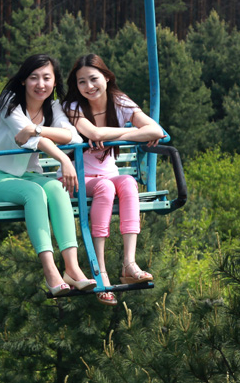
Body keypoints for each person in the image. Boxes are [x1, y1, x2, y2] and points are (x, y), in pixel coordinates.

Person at [0, 54, 95, 297]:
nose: (41, 84)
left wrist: (36, 128)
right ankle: (50, 271)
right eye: (34, 78)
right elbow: (32, 140)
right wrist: (63, 158)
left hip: (29, 175)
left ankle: (72, 268)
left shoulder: (53, 107)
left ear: (54, 82)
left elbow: (73, 137)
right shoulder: (10, 103)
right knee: (35, 193)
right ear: (23, 80)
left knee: (57, 188)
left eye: (46, 78)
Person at [62, 54, 165, 305]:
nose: (89, 86)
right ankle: (100, 271)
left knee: (128, 182)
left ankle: (129, 263)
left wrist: (117, 134)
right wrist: (133, 133)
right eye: (81, 82)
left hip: (108, 174)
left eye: (93, 79)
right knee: (106, 188)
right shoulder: (73, 107)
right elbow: (93, 133)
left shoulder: (120, 102)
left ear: (107, 78)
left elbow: (155, 130)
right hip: (78, 179)